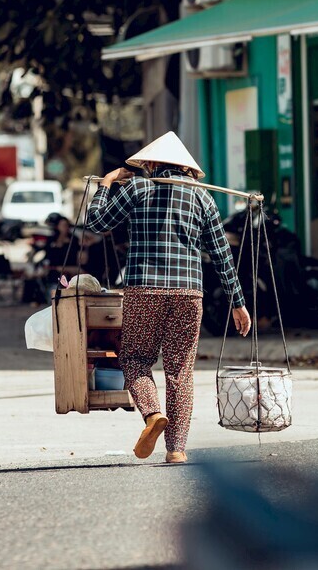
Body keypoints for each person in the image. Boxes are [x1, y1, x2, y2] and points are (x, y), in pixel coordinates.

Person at [87, 131, 251, 465]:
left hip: (144, 290)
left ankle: (151, 415)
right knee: (180, 372)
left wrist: (105, 184)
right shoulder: (202, 198)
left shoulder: (137, 188)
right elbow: (221, 254)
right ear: (185, 168)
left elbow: (95, 222)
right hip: (189, 293)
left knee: (134, 358)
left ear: (151, 163)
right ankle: (176, 449)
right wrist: (238, 302)